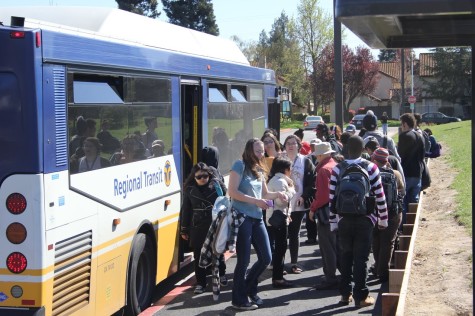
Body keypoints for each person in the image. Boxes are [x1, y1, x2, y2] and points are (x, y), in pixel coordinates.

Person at [228, 138, 288, 310]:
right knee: (244, 260)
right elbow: (232, 192)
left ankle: (248, 287)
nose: (261, 153)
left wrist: (278, 195)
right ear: (248, 150)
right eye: (257, 151)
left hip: (257, 218)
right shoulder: (239, 165)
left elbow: (265, 194)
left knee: (266, 257)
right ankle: (239, 300)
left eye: (262, 150)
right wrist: (256, 201)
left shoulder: (260, 168)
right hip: (242, 217)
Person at [329, 135, 388, 307]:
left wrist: (333, 221)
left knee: (346, 256)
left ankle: (344, 295)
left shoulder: (337, 169)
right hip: (365, 218)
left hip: (343, 219)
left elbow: (332, 197)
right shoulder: (371, 167)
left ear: (346, 148)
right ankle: (361, 296)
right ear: (363, 150)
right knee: (361, 258)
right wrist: (383, 219)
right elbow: (380, 195)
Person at [180, 163, 228, 295]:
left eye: (205, 175)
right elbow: (186, 210)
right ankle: (201, 283)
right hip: (197, 226)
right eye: (199, 176)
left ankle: (221, 275)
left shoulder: (216, 186)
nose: (202, 179)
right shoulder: (189, 190)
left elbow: (225, 201)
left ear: (209, 175)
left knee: (218, 251)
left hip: (214, 223)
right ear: (193, 177)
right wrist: (184, 229)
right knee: (198, 255)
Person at [282, 135, 316, 271]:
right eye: (288, 143)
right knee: (282, 235)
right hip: (282, 203)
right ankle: (279, 263)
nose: (290, 146)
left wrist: (304, 195)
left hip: (298, 203)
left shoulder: (305, 161)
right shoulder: (280, 160)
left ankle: (294, 263)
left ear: (298, 146)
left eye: (293, 143)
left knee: (294, 234)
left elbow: (312, 182)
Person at [309, 142, 339, 290]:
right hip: (339, 212)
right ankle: (342, 274)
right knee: (337, 245)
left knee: (327, 247)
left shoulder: (323, 170)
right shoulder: (336, 165)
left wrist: (312, 209)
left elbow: (322, 196)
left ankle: (330, 277)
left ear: (320, 155)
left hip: (325, 213)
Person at [266, 157, 295, 288]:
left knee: (280, 247)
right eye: (290, 168)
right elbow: (280, 201)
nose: (291, 171)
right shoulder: (280, 182)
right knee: (280, 248)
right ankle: (278, 278)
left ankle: (278, 276)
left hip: (276, 217)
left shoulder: (276, 179)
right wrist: (292, 190)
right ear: (285, 169)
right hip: (278, 219)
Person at [398, 113, 425, 226]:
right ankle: (414, 224)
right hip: (417, 173)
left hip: (406, 173)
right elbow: (422, 156)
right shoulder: (420, 136)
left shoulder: (404, 136)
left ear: (404, 124)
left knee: (403, 201)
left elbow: (400, 156)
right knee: (414, 200)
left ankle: (404, 227)